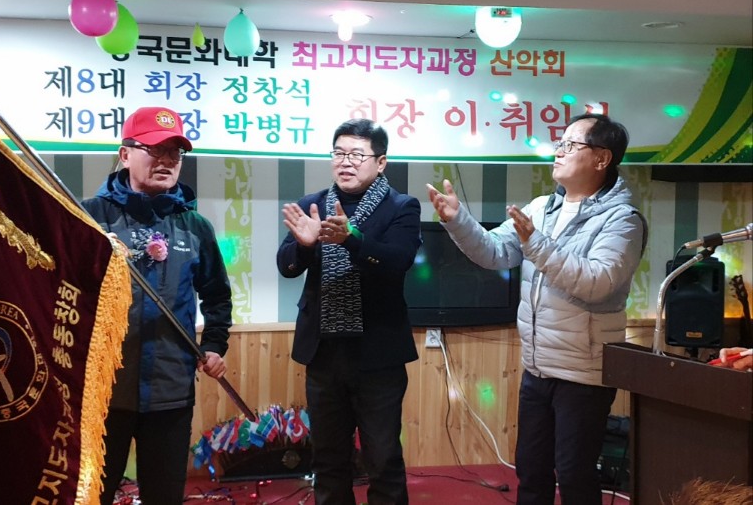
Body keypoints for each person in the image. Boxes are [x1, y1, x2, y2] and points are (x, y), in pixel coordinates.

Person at [427, 113, 648, 505]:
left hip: (584, 372)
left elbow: (597, 282)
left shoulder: (623, 220)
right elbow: (495, 253)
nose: (558, 152)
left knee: (575, 475)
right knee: (530, 471)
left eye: (570, 145)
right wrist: (459, 221)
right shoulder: (542, 207)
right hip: (538, 366)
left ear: (602, 159)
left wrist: (536, 243)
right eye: (559, 143)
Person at [82, 106, 233, 504]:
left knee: (164, 497)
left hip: (170, 389)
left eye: (174, 152)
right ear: (125, 154)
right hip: (102, 391)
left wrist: (214, 344)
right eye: (154, 149)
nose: (166, 161)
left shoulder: (194, 227)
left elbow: (217, 295)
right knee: (91, 495)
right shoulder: (90, 218)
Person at [277, 118, 421, 504]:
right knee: (328, 459)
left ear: (381, 162)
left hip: (377, 355)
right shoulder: (312, 204)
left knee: (382, 458)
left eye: (357, 155)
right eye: (339, 153)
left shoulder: (401, 207)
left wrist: (351, 238)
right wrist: (305, 245)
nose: (346, 162)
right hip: (324, 353)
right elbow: (286, 265)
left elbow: (398, 260)